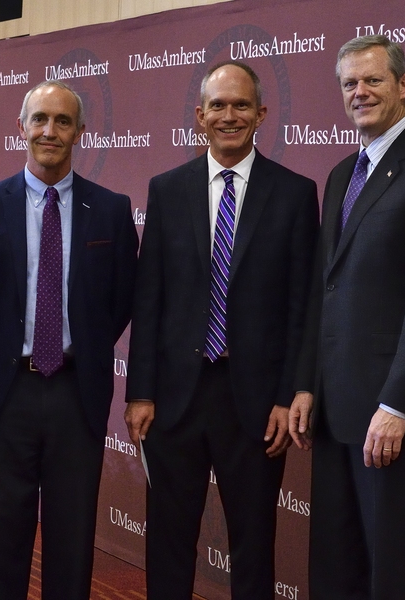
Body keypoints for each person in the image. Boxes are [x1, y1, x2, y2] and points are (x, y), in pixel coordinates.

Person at [288, 35, 405, 600]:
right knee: (336, 568)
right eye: (349, 83)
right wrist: (306, 384)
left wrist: (397, 406)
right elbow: (325, 292)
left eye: (372, 80)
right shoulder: (343, 173)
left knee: (392, 574)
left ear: (402, 85)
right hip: (336, 409)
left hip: (395, 418)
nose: (360, 92)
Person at [125, 61, 319, 600]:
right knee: (168, 540)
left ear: (261, 114)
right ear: (198, 117)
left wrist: (288, 395)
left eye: (240, 106)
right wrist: (139, 390)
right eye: (217, 106)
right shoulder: (167, 190)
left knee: (253, 544)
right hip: (173, 399)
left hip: (256, 405)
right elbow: (150, 297)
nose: (228, 116)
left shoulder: (296, 193)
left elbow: (304, 307)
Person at [0, 80, 138, 600]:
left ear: (81, 131)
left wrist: (78, 345)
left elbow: (123, 299)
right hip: (3, 395)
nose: (49, 131)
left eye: (62, 121)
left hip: (75, 395)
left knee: (73, 539)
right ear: (21, 128)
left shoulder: (110, 209)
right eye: (39, 119)